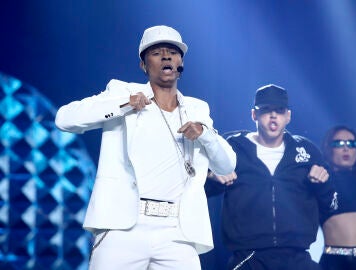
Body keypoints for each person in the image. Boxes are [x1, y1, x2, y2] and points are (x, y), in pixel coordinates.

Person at [55, 25, 236, 270]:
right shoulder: (122, 92)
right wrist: (122, 105)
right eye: (156, 52)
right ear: (143, 65)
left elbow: (226, 165)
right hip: (123, 227)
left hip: (178, 232)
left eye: (173, 52)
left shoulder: (197, 109)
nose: (166, 56)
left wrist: (205, 135)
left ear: (181, 62)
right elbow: (64, 119)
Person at [206, 84, 338, 270]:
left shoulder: (306, 151)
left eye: (280, 110)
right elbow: (198, 191)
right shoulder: (233, 148)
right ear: (254, 115)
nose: (274, 115)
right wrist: (213, 178)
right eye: (266, 110)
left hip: (297, 257)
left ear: (288, 116)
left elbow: (332, 206)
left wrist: (323, 185)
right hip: (249, 257)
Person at [319, 125, 356, 270]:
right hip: (335, 261)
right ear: (328, 148)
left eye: (351, 143)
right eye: (339, 143)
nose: (346, 148)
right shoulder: (320, 182)